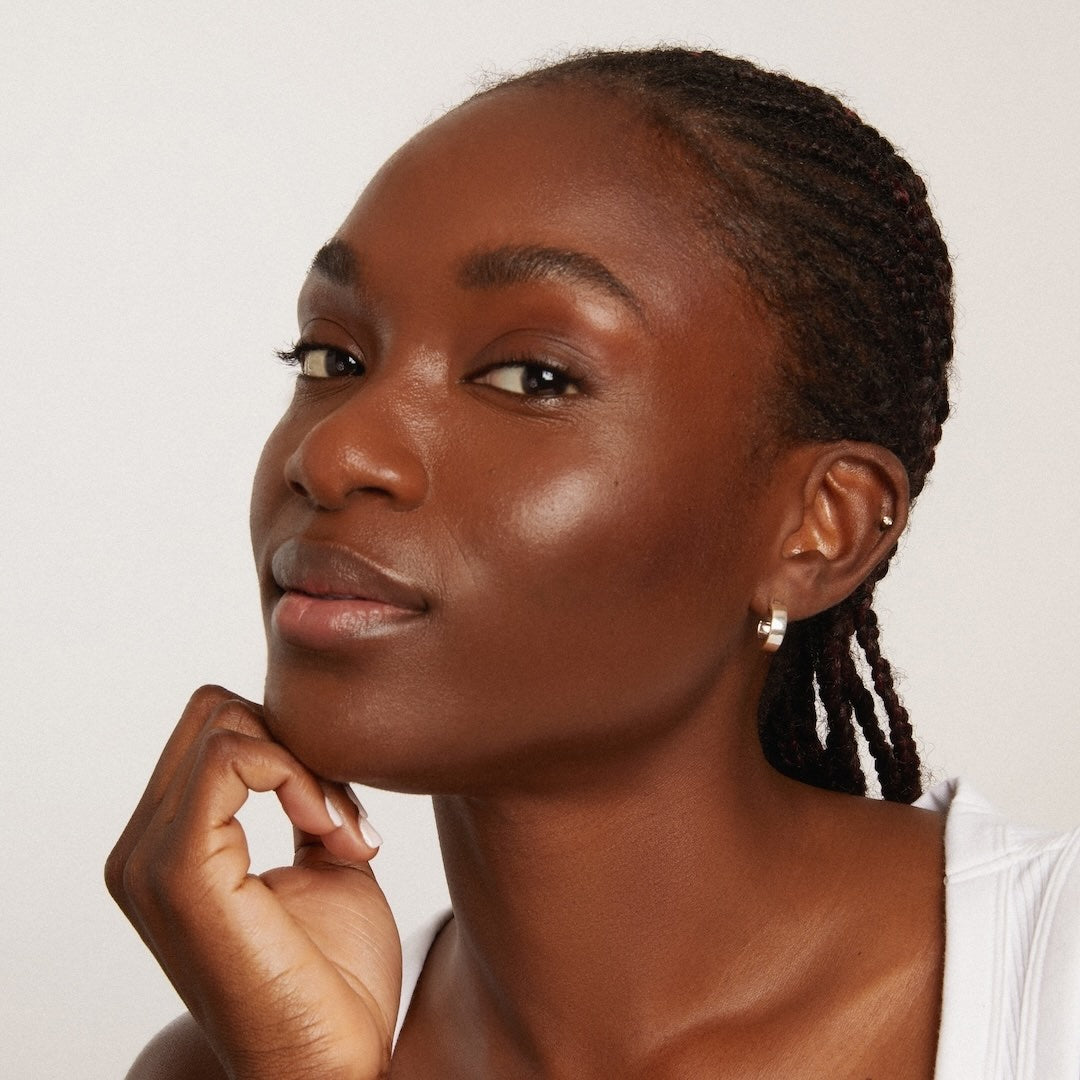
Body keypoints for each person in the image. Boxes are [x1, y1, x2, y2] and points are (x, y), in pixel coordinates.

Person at [105, 48, 1080, 1079]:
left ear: (819, 529)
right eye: (330, 359)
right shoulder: (251, 1053)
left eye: (531, 376)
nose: (336, 451)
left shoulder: (1053, 989)